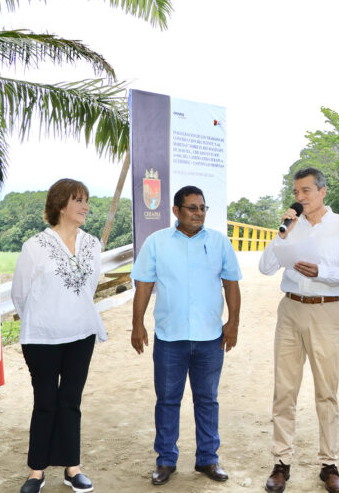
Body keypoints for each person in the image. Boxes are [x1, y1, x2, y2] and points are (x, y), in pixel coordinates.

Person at [131, 185, 242, 487]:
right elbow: (143, 285)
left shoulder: (219, 242)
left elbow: (231, 284)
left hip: (210, 337)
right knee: (167, 400)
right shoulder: (157, 243)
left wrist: (233, 323)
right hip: (170, 337)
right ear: (176, 211)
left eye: (203, 208)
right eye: (192, 208)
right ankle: (166, 460)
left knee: (207, 400)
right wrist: (137, 324)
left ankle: (208, 458)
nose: (199, 213)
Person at [258, 167, 339, 493]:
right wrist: (282, 234)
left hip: (326, 310)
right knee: (284, 390)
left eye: (305, 191)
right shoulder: (290, 226)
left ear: (322, 192)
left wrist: (322, 271)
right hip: (290, 310)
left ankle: (329, 464)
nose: (299, 198)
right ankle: (281, 463)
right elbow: (264, 267)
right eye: (296, 192)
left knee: (326, 392)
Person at [12, 178, 107, 493]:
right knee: (46, 403)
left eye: (86, 200)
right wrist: (41, 320)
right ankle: (36, 472)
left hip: (81, 335)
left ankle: (72, 469)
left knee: (70, 402)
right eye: (78, 200)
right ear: (61, 205)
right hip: (40, 339)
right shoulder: (34, 247)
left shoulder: (93, 245)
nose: (85, 206)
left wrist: (69, 314)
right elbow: (20, 294)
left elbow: (88, 289)